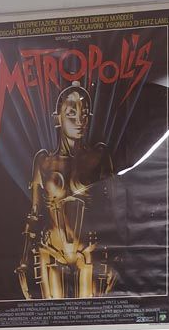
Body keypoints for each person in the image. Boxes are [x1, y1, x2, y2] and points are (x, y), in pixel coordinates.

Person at [17, 84, 121, 300]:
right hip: (51, 250)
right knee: (52, 317)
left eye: (84, 113)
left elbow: (114, 211)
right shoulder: (43, 161)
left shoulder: (99, 156)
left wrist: (116, 259)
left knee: (90, 316)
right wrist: (24, 260)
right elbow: (34, 214)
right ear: (58, 119)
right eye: (71, 113)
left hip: (89, 250)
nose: (79, 120)